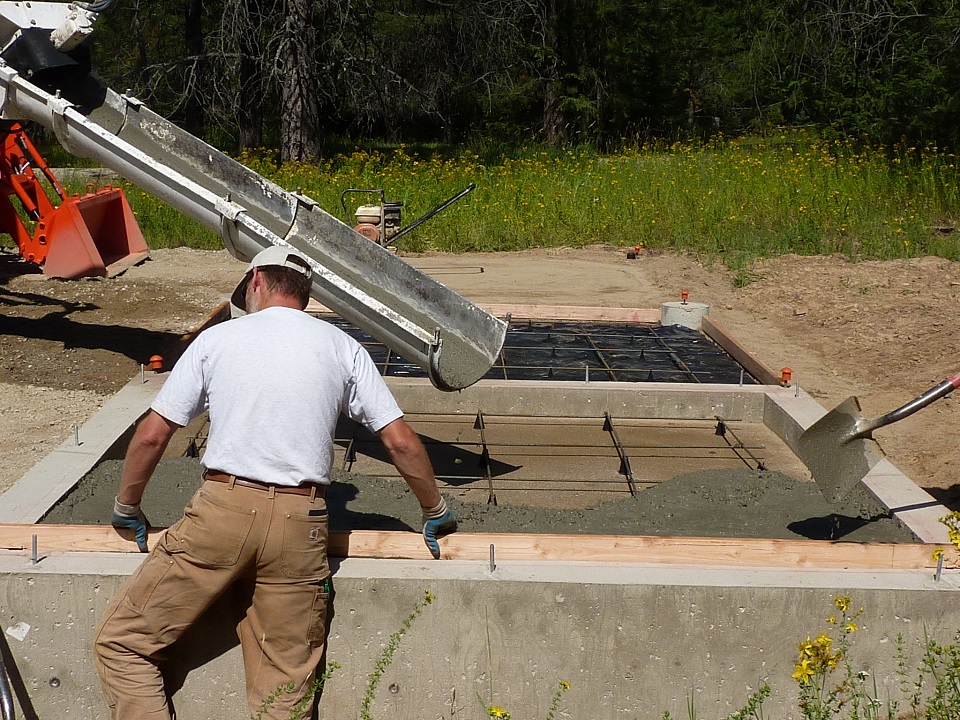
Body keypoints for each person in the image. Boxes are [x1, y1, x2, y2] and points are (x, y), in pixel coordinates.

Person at [93, 245, 457, 720]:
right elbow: (401, 442)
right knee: (283, 694)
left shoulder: (218, 340)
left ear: (258, 280)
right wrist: (435, 511)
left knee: (123, 644)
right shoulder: (342, 346)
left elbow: (153, 435)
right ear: (305, 292)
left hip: (222, 513)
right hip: (302, 524)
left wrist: (128, 504)